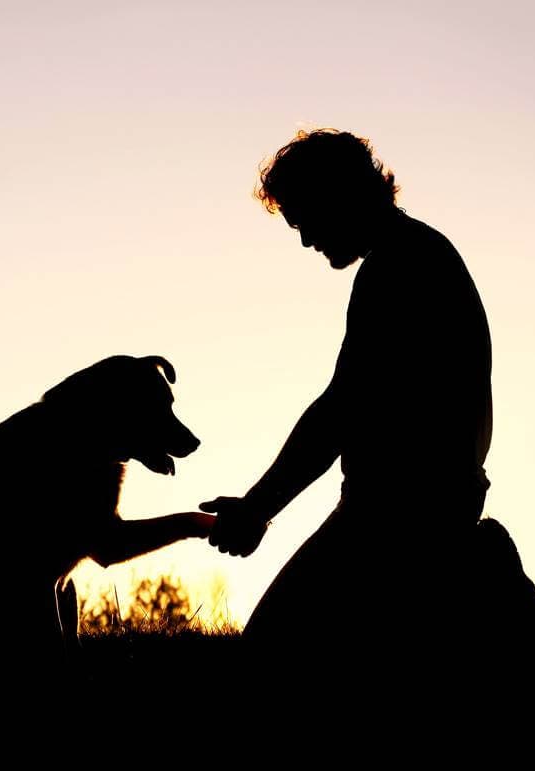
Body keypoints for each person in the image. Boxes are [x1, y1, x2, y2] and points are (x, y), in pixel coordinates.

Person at [201, 129, 509, 663]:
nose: (303, 240)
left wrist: (257, 508)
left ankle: (485, 578)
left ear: (340, 195)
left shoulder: (399, 267)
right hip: (417, 506)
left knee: (270, 655)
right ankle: (478, 577)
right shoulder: (416, 253)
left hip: (397, 519)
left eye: (305, 217)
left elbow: (341, 409)